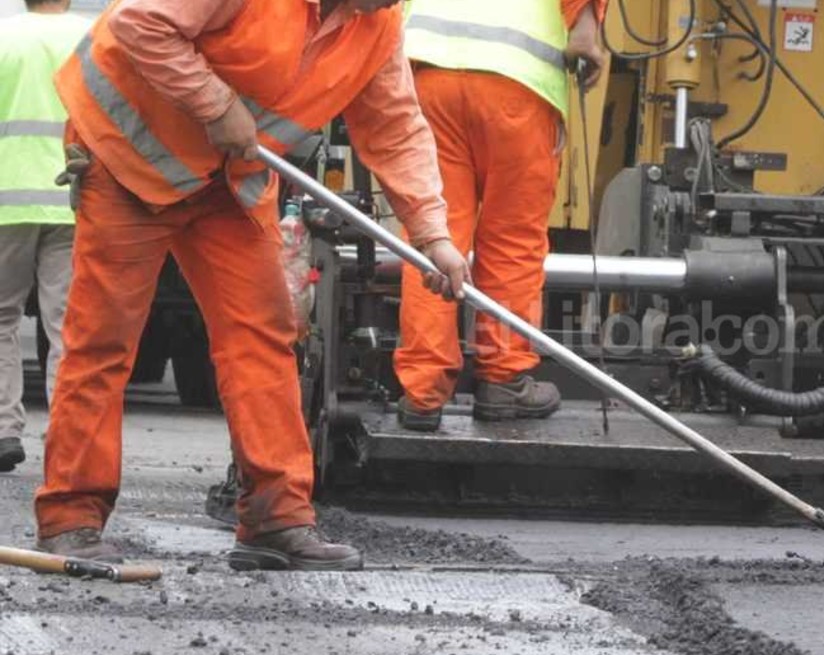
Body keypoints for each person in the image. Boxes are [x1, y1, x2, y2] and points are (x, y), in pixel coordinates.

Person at [34, 0, 469, 571]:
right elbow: (138, 21)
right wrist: (215, 104)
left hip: (229, 181)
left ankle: (277, 518)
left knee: (263, 336)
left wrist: (432, 234)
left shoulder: (377, 25)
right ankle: (71, 517)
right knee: (103, 341)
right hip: (127, 158)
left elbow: (395, 126)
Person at [393, 0, 607, 432]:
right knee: (512, 240)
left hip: (428, 73)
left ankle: (422, 391)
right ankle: (504, 378)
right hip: (518, 82)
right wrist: (587, 24)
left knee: (432, 235)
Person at [0, 0, 89, 475]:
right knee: (67, 324)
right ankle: (67, 436)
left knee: (1, 317)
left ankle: (3, 430)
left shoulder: (3, 39)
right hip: (74, 198)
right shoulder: (92, 40)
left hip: (6, 200)